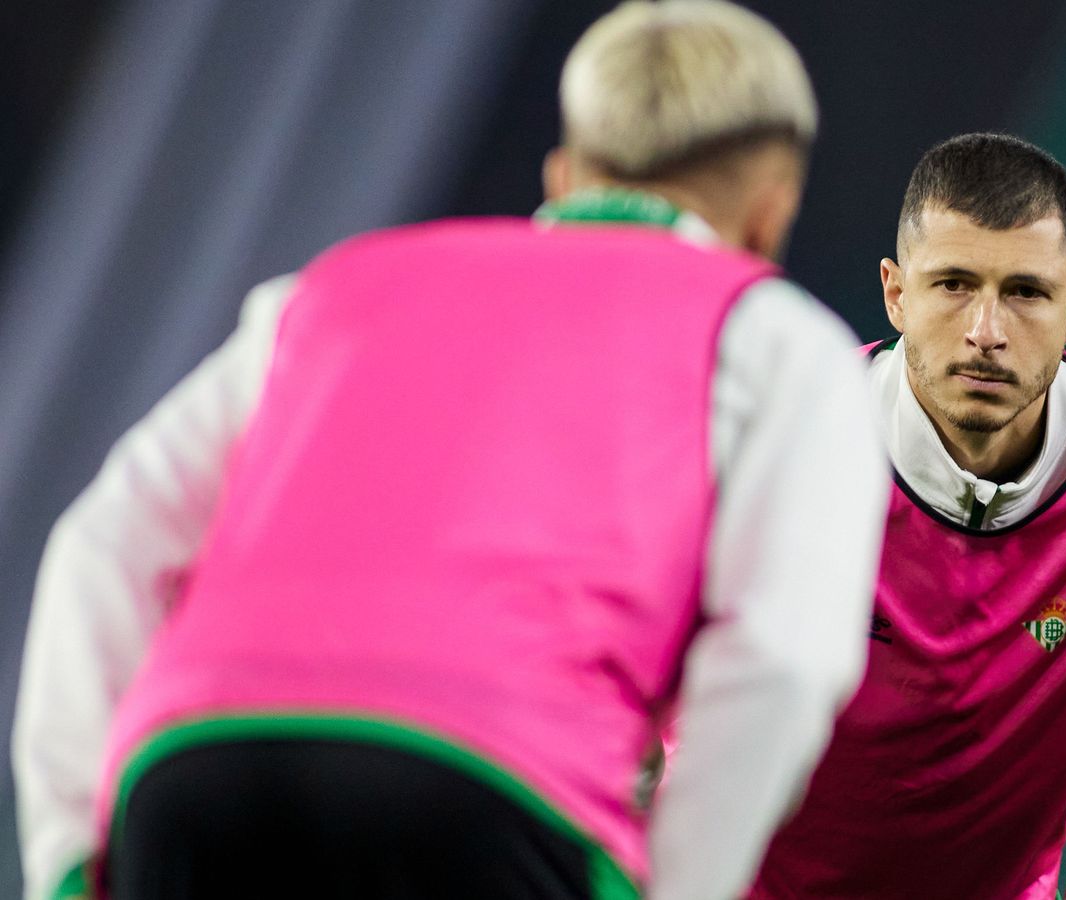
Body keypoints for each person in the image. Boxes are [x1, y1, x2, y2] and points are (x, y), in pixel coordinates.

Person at [11, 3, 888, 899]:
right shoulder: (778, 339)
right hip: (494, 791)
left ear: (564, 173)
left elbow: (101, 544)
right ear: (769, 214)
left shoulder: (328, 291)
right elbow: (783, 655)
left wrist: (68, 862)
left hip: (195, 776)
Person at [750, 133, 1066, 900]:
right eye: (953, 284)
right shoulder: (784, 445)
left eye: (1025, 292)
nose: (986, 331)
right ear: (896, 294)